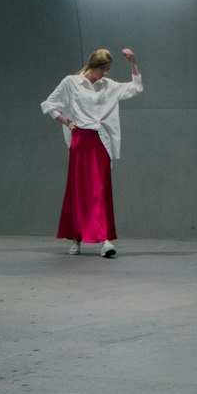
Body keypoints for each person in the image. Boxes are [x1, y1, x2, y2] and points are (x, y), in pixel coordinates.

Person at [41, 46, 141, 258]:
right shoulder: (71, 82)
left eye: (108, 69)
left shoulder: (109, 85)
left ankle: (104, 240)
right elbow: (48, 104)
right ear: (94, 67)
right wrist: (66, 121)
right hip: (81, 141)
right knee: (78, 191)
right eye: (104, 69)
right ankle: (77, 238)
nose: (106, 73)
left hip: (101, 141)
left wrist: (133, 63)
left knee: (100, 191)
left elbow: (135, 89)